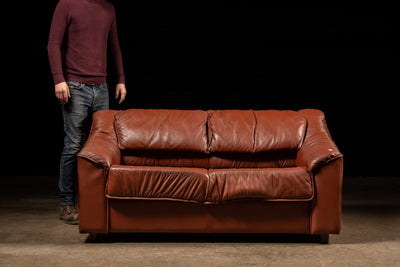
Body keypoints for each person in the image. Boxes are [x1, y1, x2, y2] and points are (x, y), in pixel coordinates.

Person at [47, 0, 127, 224]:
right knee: (74, 144)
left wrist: (120, 79)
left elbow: (114, 46)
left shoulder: (108, 7)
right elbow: (53, 44)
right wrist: (58, 80)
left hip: (101, 88)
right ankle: (67, 203)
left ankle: (98, 201)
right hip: (74, 86)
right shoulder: (66, 4)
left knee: (103, 144)